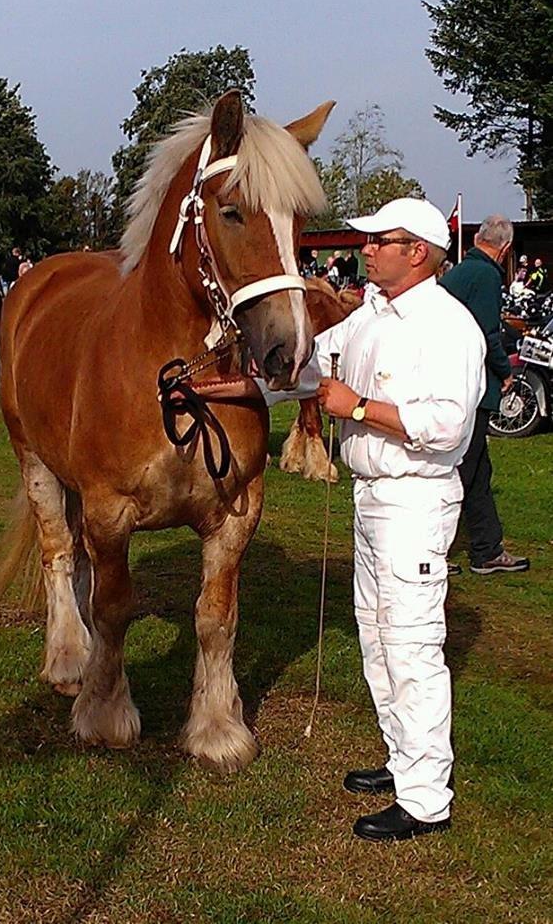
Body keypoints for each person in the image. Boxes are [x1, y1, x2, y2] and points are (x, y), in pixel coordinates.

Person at [185, 198, 486, 842]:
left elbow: (446, 424)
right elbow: (301, 373)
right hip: (372, 496)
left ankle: (426, 797)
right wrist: (208, 389)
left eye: (382, 240)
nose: (366, 249)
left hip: (416, 499)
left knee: (411, 647)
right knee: (377, 639)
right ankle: (400, 761)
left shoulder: (449, 325)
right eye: (369, 240)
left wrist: (360, 406)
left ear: (420, 253)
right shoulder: (369, 317)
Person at [440, 216, 530, 575]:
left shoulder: (461, 272)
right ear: (506, 248)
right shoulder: (487, 276)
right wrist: (505, 372)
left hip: (450, 380)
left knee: (475, 469)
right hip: (467, 384)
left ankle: (486, 547)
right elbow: (486, 334)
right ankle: (437, 549)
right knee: (463, 469)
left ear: (478, 238)